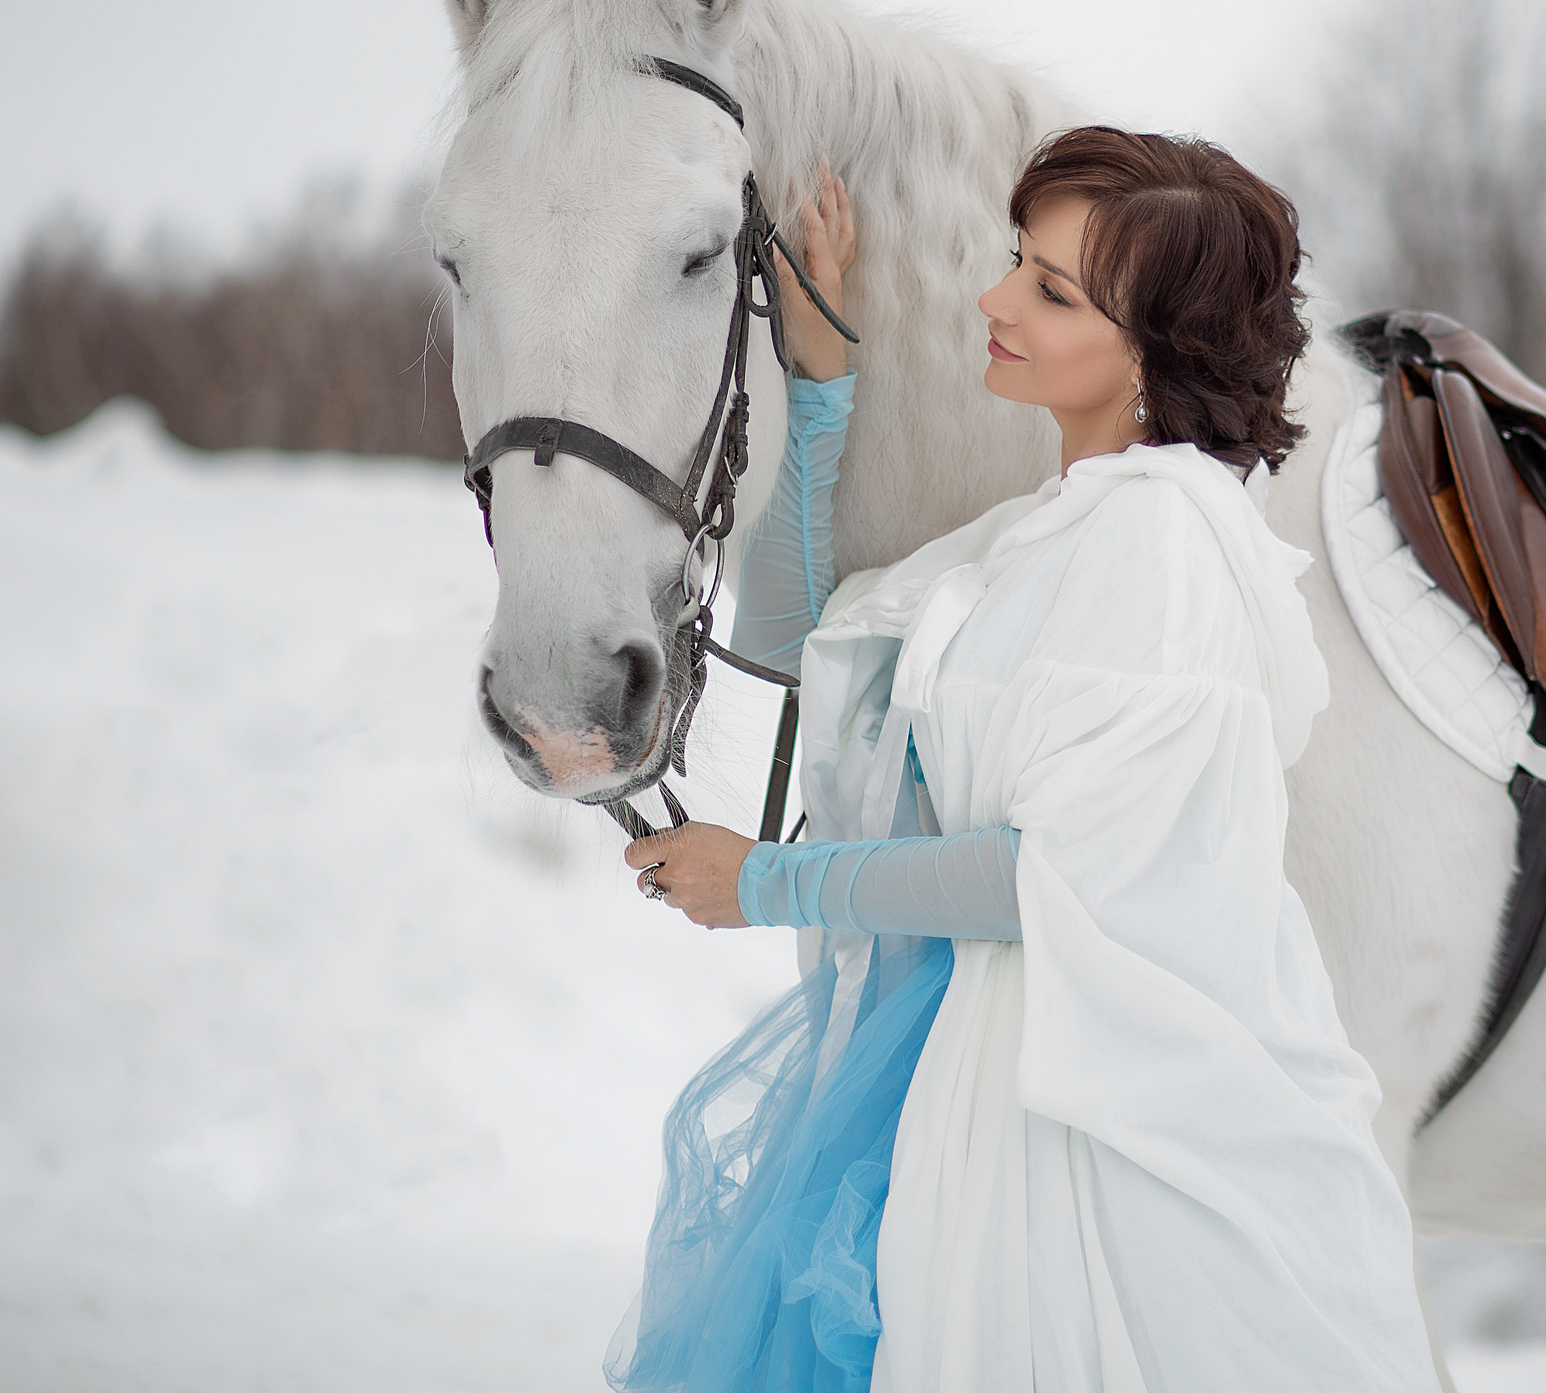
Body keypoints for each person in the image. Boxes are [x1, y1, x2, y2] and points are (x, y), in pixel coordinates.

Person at [606, 130, 1439, 1393]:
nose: (993, 300)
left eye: (1051, 292)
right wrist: (820, 381)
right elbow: (810, 640)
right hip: (960, 1081)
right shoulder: (1054, 527)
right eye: (1014, 261)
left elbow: (1055, 881)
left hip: (1077, 1144)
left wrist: (768, 883)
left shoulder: (1158, 547)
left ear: (1157, 349)